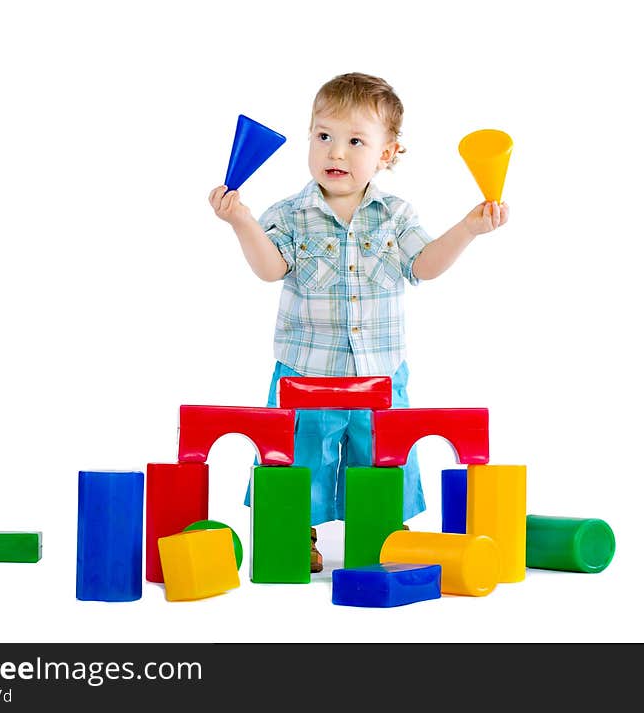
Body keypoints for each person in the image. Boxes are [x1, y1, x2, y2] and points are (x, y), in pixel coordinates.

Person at [208, 72, 509, 572]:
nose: (336, 153)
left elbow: (424, 266)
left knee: (383, 455)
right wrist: (241, 220)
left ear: (387, 154)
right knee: (299, 456)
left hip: (380, 375)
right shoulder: (290, 213)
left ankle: (386, 530)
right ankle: (292, 531)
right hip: (306, 375)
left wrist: (469, 228)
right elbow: (269, 269)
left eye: (355, 141)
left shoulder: (395, 215)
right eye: (323, 136)